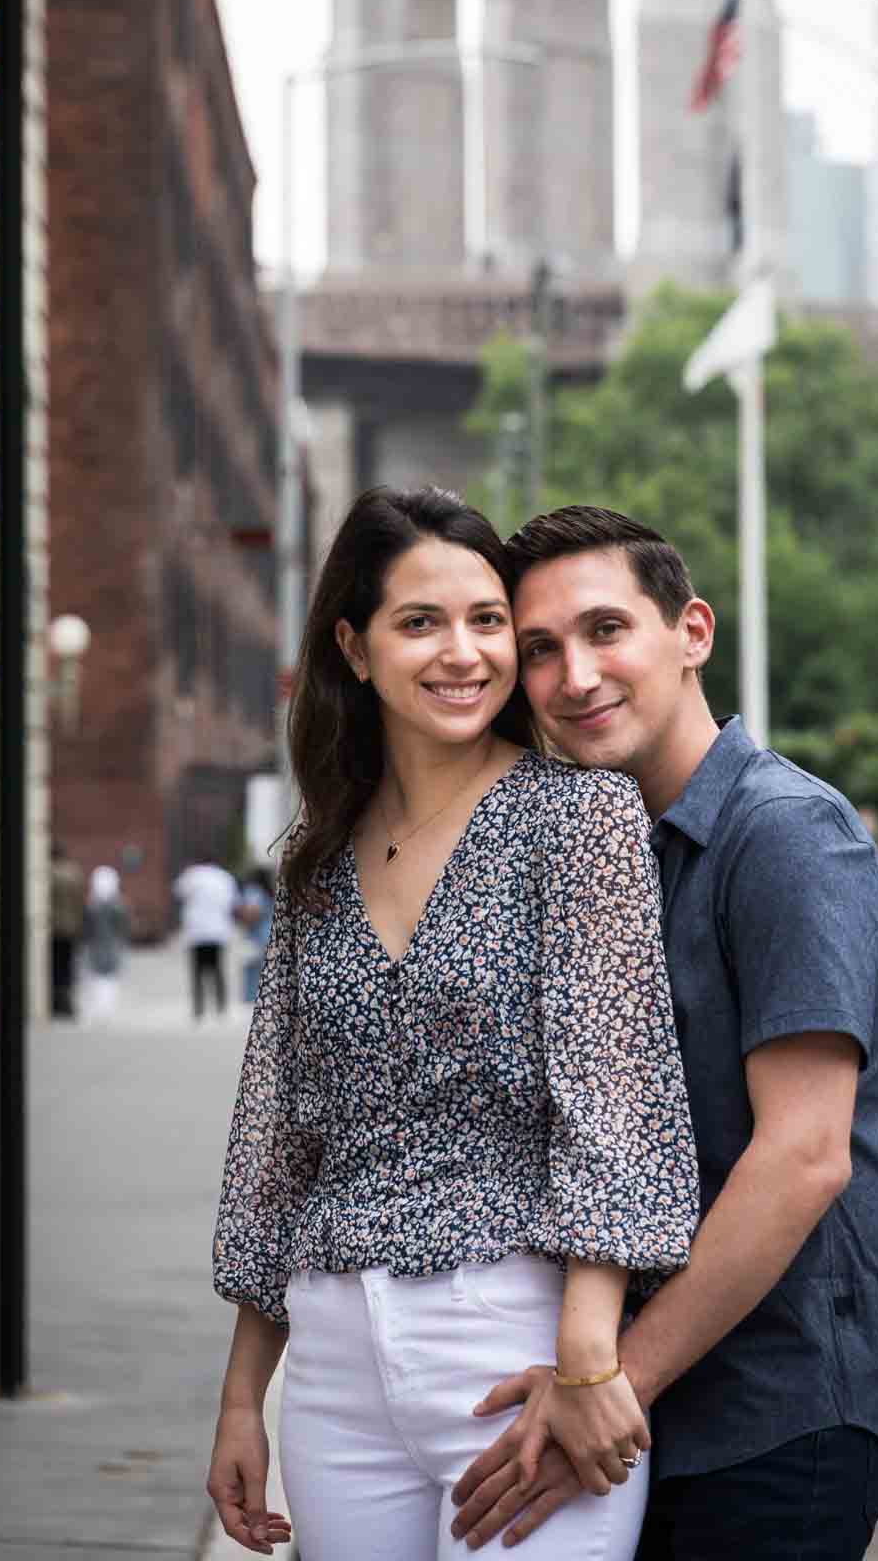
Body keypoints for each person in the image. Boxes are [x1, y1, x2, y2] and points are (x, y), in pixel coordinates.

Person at [206, 487, 699, 1559]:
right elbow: (278, 1141)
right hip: (334, 1365)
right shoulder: (314, 861)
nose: (464, 652)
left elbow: (613, 1100)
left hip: (512, 1336)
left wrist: (586, 1358)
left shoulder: (575, 816)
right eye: (419, 621)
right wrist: (245, 1395)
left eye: (487, 621)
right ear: (354, 645)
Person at [450, 506, 878, 1561]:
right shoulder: (609, 850)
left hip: (774, 1407)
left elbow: (801, 1155)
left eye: (606, 628)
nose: (574, 675)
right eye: (539, 649)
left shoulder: (786, 834)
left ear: (691, 630)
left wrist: (607, 1379)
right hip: (653, 1401)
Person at [173, 854, 241, 1018]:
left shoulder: (191, 875)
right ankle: (221, 1007)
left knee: (197, 971)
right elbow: (234, 902)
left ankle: (199, 1009)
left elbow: (177, 892)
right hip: (218, 930)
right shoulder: (225, 878)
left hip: (196, 930)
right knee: (217, 970)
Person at [81, 863, 128, 1022]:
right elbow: (122, 925)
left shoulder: (93, 905)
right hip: (109, 944)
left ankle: (102, 1007)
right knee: (107, 976)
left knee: (99, 975)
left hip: (99, 944)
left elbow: (86, 925)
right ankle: (105, 1007)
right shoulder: (117, 905)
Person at [49, 839, 86, 1018]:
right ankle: (67, 1004)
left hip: (54, 929)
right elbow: (81, 903)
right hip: (71, 928)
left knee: (54, 967)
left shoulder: (48, 874)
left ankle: (57, 1003)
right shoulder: (74, 873)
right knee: (68, 967)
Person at [236, 867, 276, 1006]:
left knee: (253, 973)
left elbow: (251, 913)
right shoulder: (270, 892)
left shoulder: (253, 891)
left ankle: (253, 1002)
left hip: (256, 938)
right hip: (269, 935)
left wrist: (241, 915)